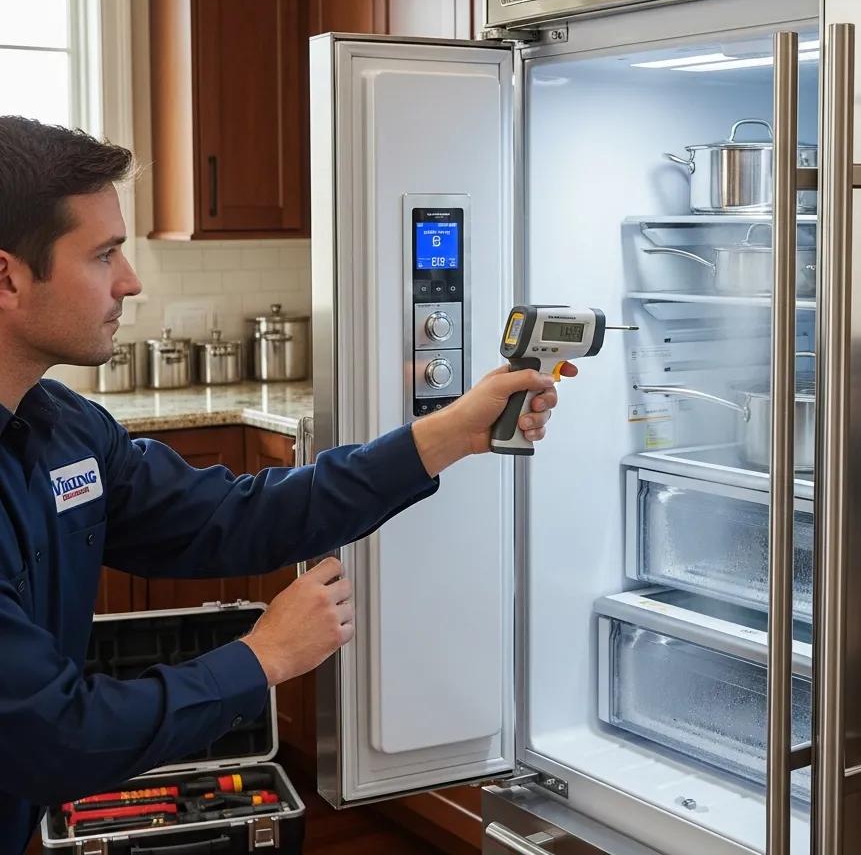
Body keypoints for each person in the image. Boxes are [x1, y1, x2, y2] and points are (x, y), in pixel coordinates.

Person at [0, 116, 576, 854]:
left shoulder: (63, 428)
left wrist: (449, 434)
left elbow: (231, 518)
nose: (130, 280)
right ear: (8, 277)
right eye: (104, 254)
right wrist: (261, 657)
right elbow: (58, 735)